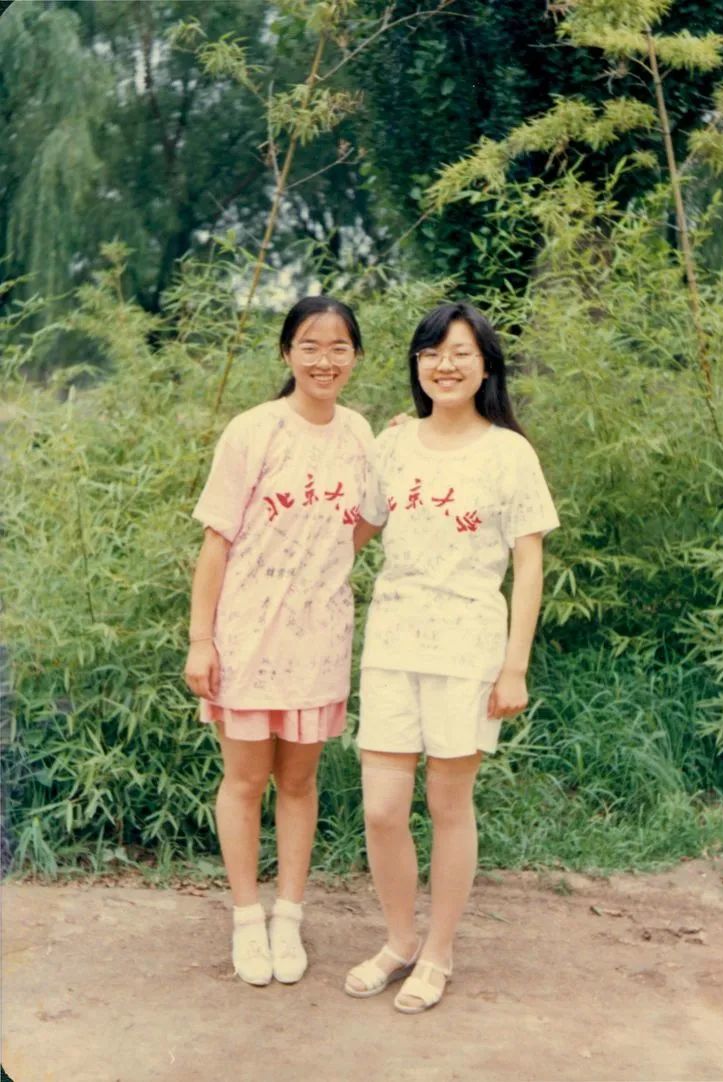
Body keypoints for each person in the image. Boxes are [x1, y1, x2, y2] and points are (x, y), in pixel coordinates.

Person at [346, 301, 559, 1013]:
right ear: (416, 364)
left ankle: (438, 952)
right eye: (432, 352)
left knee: (447, 804)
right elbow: (354, 535)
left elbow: (529, 564)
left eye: (461, 352)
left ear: (486, 366)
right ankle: (399, 940)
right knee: (382, 809)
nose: (445, 365)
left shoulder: (509, 453)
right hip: (393, 641)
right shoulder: (393, 445)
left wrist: (514, 666)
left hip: (468, 647)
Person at [184, 296, 377, 987]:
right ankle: (246, 919)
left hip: (319, 637)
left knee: (298, 783)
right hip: (245, 635)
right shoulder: (253, 430)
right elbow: (216, 541)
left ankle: (288, 916)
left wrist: (323, 572)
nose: (325, 361)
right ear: (287, 352)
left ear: (355, 356)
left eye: (339, 347)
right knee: (244, 781)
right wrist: (201, 640)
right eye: (310, 346)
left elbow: (365, 522)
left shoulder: (360, 434)